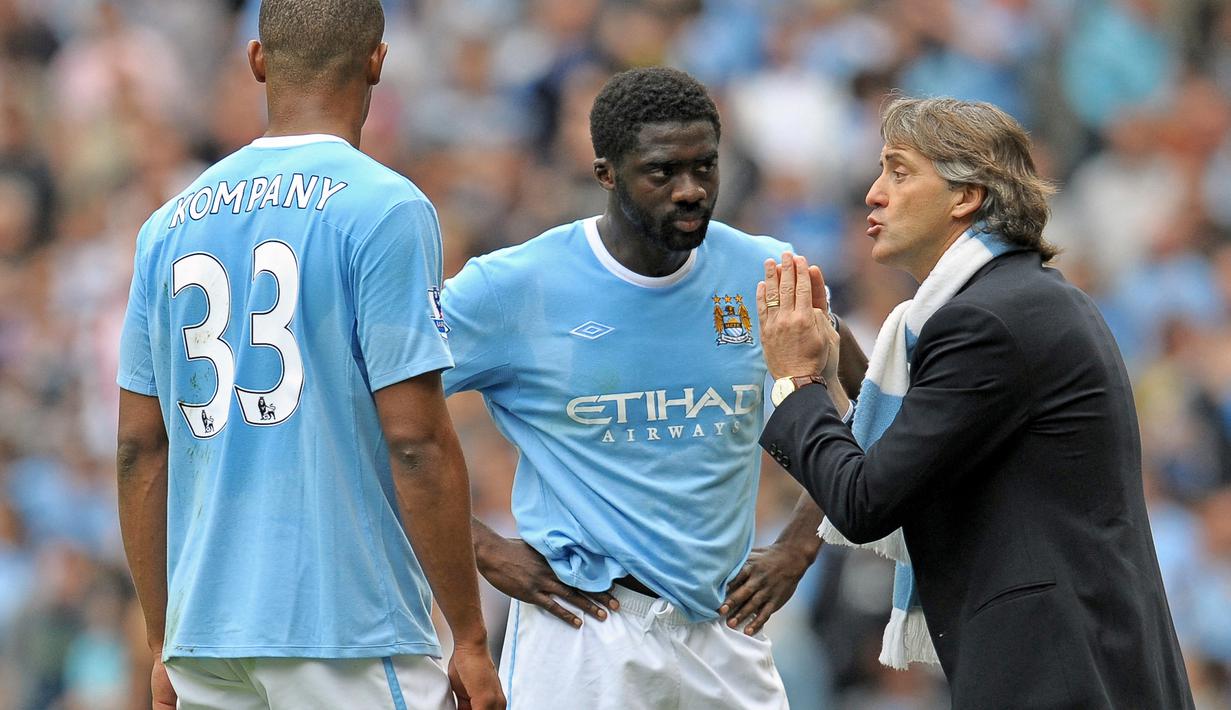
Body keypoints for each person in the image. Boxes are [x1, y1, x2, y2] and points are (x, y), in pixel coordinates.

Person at [114, 1, 504, 708]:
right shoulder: (385, 207)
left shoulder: (166, 225)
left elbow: (141, 448)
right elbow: (414, 438)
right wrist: (470, 637)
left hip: (205, 634)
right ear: (377, 62)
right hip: (343, 624)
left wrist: (158, 639)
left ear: (258, 60)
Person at [441, 66, 863, 709]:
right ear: (606, 173)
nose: (691, 190)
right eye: (663, 172)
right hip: (582, 631)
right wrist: (481, 545)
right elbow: (363, 407)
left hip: (723, 628)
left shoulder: (766, 271)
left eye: (706, 167)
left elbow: (875, 399)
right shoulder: (513, 287)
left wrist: (801, 545)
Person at [756, 96, 1194, 708]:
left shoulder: (986, 322)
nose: (874, 193)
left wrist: (795, 381)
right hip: (1082, 665)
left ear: (966, 196)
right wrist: (849, 367)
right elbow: (938, 435)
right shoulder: (1020, 300)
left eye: (900, 171)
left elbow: (865, 500)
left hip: (1057, 676)